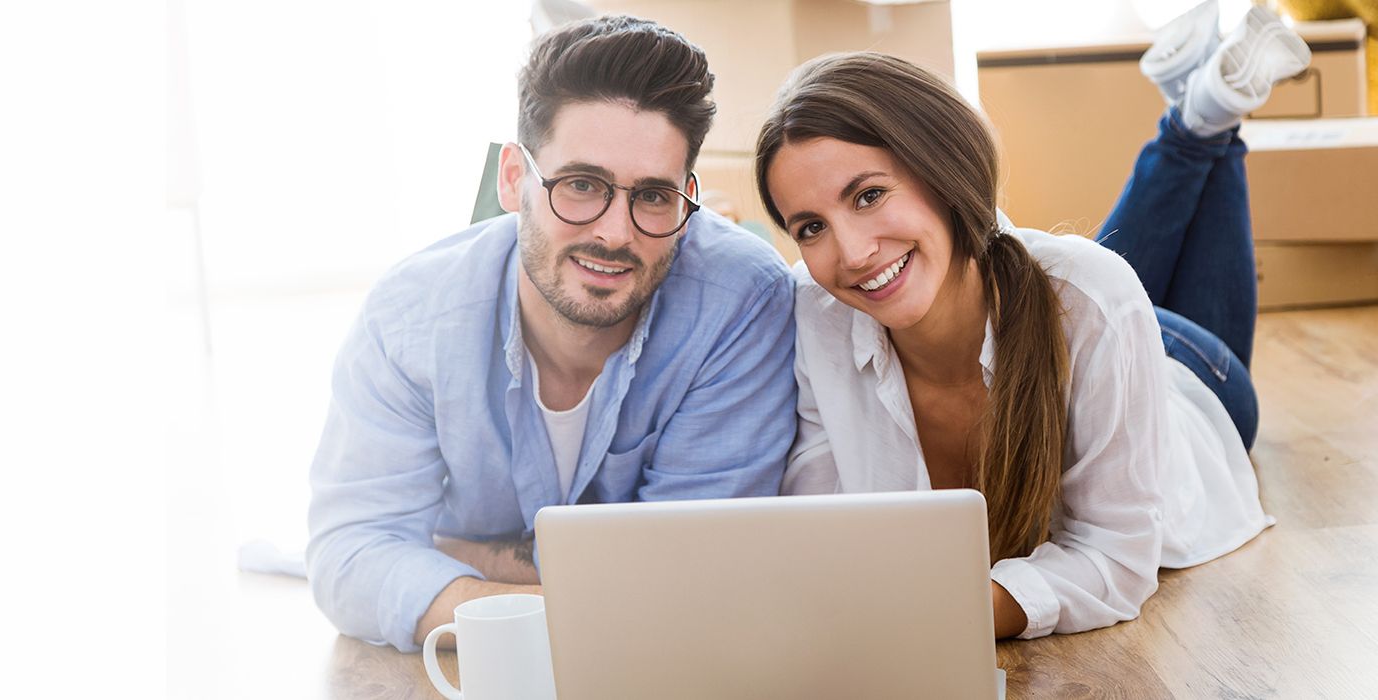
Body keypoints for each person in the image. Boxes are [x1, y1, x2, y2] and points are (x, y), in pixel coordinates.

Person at [755, 3, 1307, 639]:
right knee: (1083, 277)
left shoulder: (1094, 300)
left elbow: (1114, 558)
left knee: (1093, 281)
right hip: (1056, 302)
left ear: (943, 169)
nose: (851, 253)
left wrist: (946, 615)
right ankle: (1201, 110)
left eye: (870, 195)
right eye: (811, 227)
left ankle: (1203, 119)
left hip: (1191, 377)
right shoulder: (812, 311)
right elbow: (823, 533)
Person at [307, 15, 797, 653]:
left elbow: (695, 581)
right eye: (581, 185)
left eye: (653, 196)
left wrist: (449, 557)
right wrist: (593, 601)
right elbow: (350, 562)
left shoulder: (740, 302)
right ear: (514, 179)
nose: (616, 233)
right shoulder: (412, 318)